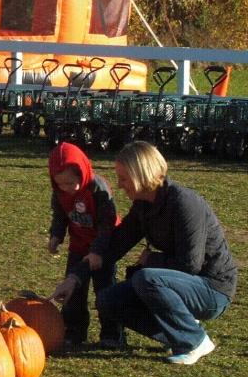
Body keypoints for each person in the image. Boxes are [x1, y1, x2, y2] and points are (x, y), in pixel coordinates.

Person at [51, 141, 237, 365]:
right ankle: (181, 330)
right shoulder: (143, 206)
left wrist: (151, 260)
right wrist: (74, 277)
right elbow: (115, 244)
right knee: (108, 300)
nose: (119, 185)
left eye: (124, 178)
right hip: (180, 282)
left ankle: (195, 341)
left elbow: (190, 265)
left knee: (146, 278)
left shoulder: (184, 203)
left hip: (212, 289)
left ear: (141, 174)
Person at [46, 142, 119, 347]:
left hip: (103, 247)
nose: (69, 188)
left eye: (72, 182)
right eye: (62, 184)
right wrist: (56, 236)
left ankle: (112, 333)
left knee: (105, 289)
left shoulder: (98, 189)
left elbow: (107, 224)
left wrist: (98, 252)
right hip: (78, 247)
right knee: (74, 292)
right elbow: (60, 217)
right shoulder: (60, 194)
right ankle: (74, 330)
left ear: (82, 172)